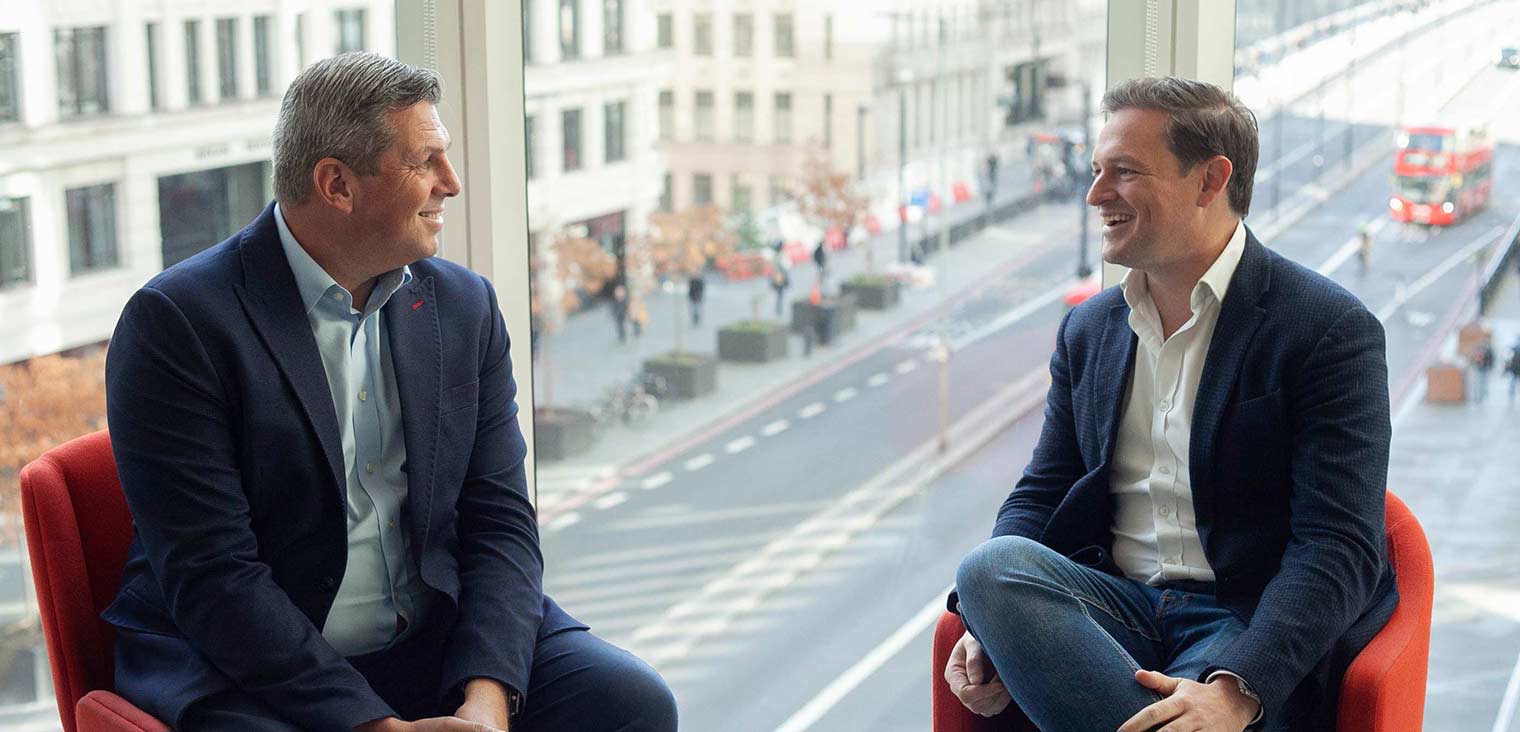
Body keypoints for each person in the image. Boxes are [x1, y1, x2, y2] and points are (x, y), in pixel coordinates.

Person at [103, 53, 676, 732]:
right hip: (253, 662)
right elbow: (216, 579)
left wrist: (486, 704)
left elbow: (499, 521)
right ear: (337, 185)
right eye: (425, 162)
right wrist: (376, 728)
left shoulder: (464, 307)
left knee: (633, 706)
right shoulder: (177, 324)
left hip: (433, 635)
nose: (452, 184)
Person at [946, 77, 1396, 732]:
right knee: (989, 569)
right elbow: (1042, 492)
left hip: (1239, 620)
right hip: (1113, 607)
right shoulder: (1090, 330)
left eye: (1123, 173)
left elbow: (1338, 547)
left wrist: (1236, 690)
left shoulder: (1327, 331)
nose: (1096, 194)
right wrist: (986, 626)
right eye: (1098, 171)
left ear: (1211, 180)